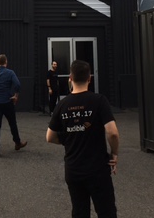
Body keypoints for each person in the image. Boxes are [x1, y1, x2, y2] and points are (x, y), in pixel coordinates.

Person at [46, 60, 119, 218]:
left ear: (70, 78)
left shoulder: (62, 104)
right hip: (98, 169)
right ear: (89, 78)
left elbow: (49, 137)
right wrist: (114, 154)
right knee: (106, 211)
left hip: (73, 169)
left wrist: (68, 138)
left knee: (79, 212)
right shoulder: (99, 101)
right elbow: (112, 132)